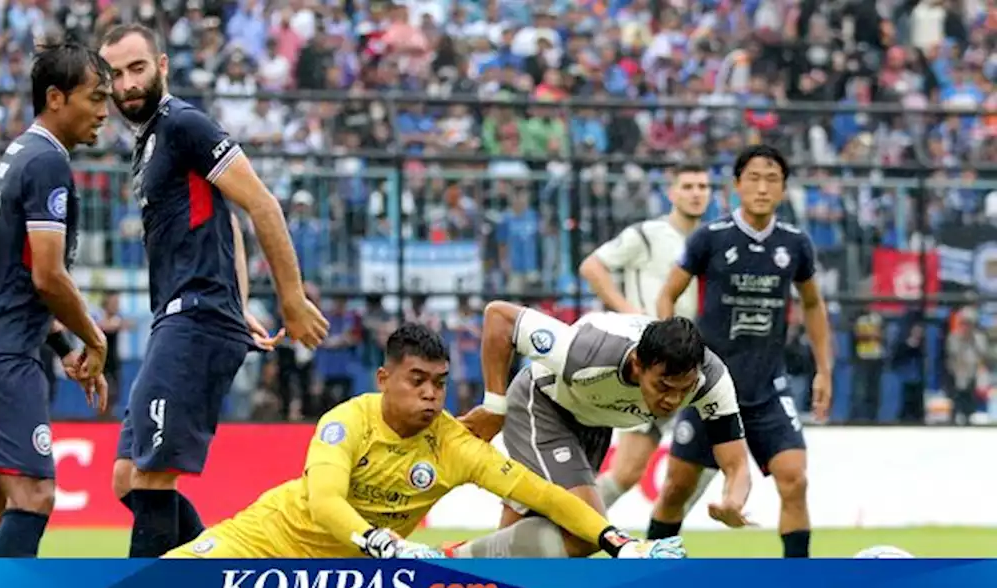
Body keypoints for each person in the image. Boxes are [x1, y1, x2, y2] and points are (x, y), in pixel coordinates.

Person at [164, 323, 685, 560]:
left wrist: (618, 542)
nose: (432, 395)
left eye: (439, 382)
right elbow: (324, 503)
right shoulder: (345, 421)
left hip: (352, 578)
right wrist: (382, 542)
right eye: (417, 381)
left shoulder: (452, 444)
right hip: (262, 542)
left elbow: (543, 495)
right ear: (383, 377)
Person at [98, 24, 327, 558]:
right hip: (184, 317)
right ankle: (216, 575)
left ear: (162, 65)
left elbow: (262, 204)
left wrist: (289, 299)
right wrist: (241, 302)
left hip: (194, 320)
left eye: (137, 68)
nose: (128, 83)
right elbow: (227, 222)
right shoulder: (148, 140)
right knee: (127, 479)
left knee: (152, 478)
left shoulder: (184, 125)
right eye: (115, 74)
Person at [0, 42, 112, 559]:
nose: (104, 111)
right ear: (56, 97)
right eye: (95, 97)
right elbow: (47, 276)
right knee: (34, 495)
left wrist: (62, 348)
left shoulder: (21, 153)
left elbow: (14, 274)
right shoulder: (48, 161)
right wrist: (95, 340)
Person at [648, 144, 833, 558]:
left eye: (772, 180)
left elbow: (812, 304)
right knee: (676, 487)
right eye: (753, 178)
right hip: (709, 387)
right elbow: (667, 295)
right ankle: (648, 576)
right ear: (735, 187)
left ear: (783, 190)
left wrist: (824, 370)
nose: (762, 188)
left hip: (768, 385)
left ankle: (796, 583)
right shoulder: (709, 238)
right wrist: (672, 354)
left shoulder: (795, 244)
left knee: (794, 480)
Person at [456, 305, 754, 558]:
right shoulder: (586, 350)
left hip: (595, 424)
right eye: (662, 386)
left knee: (533, 532)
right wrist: (495, 406)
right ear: (637, 365)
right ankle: (461, 559)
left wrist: (733, 501)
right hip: (542, 406)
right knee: (588, 530)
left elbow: (737, 464)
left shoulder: (711, 382)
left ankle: (463, 567)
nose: (673, 401)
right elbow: (499, 317)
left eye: (683, 390)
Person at [579, 164, 719, 513]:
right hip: (652, 365)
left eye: (703, 185)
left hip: (693, 365)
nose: (696, 192)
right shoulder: (647, 234)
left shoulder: (711, 240)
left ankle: (662, 534)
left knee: (719, 449)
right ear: (672, 193)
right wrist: (630, 313)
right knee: (626, 473)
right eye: (688, 185)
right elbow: (592, 266)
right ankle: (568, 524)